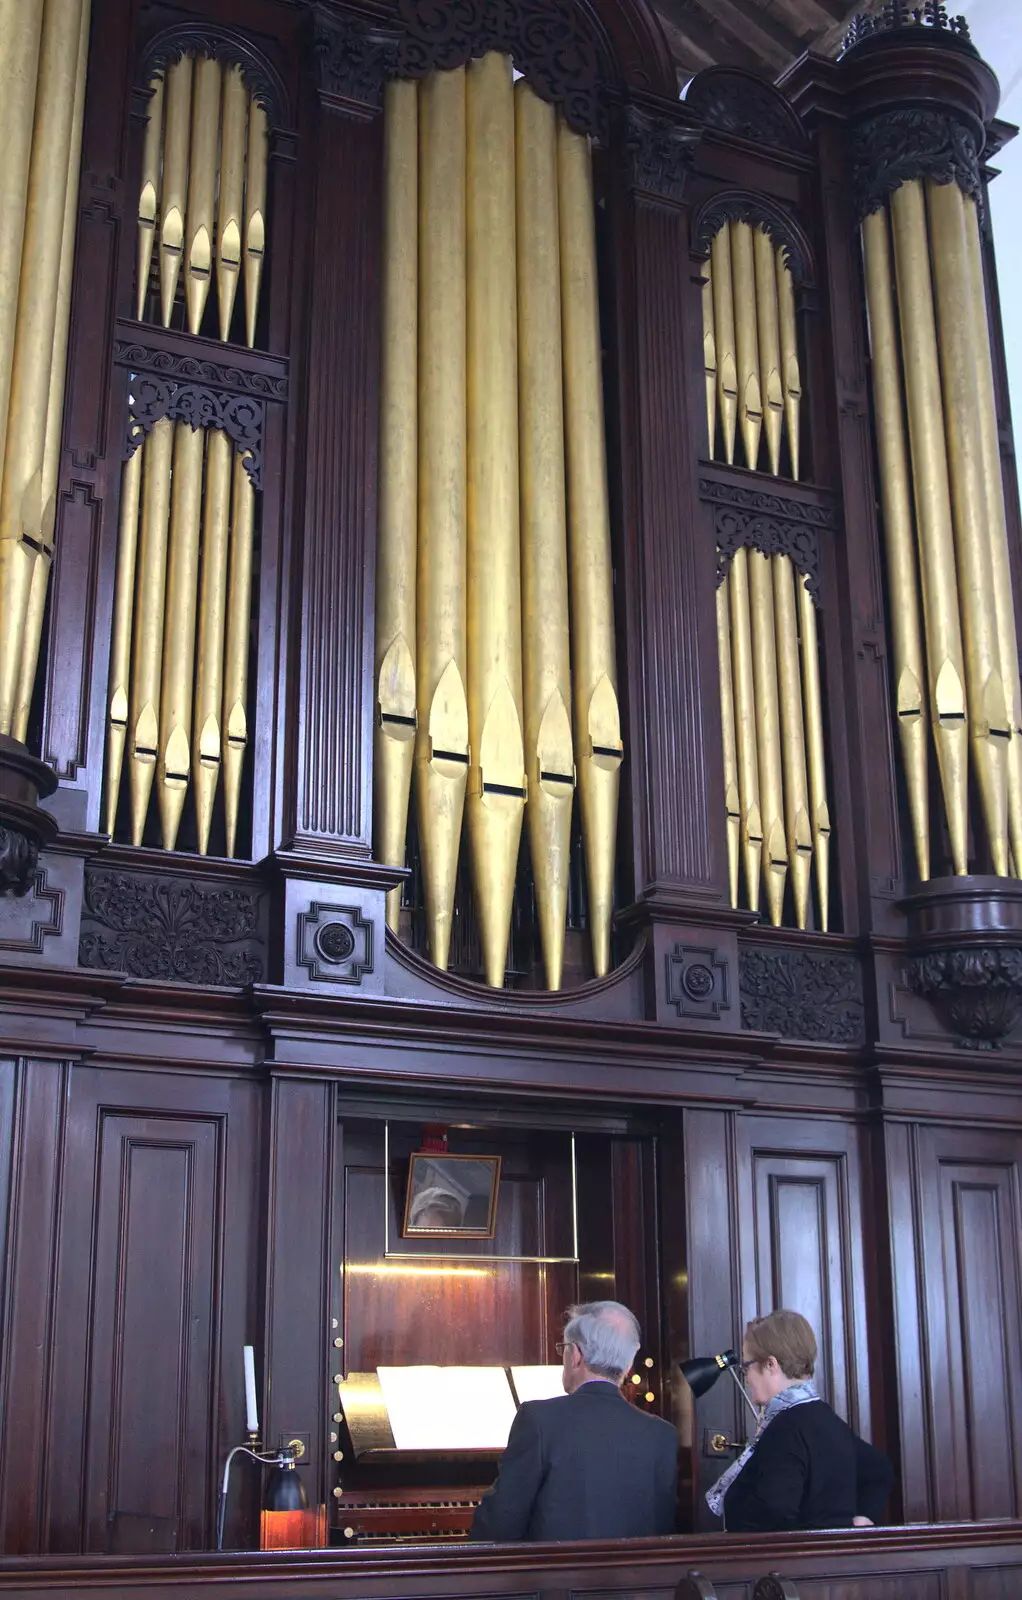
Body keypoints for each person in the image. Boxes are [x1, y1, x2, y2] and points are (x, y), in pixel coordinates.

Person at [470, 1301, 678, 1542]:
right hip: (637, 1579)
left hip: (554, 1579)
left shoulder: (538, 1420)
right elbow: (662, 1528)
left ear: (576, 1355)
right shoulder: (662, 1434)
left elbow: (499, 1525)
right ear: (629, 1363)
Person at [707, 1309, 893, 1533]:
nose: (746, 1377)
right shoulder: (826, 1418)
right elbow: (879, 1470)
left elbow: (773, 1510)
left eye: (747, 1366)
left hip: (783, 1564)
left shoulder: (786, 1428)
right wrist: (862, 1517)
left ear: (771, 1365)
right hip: (829, 1562)